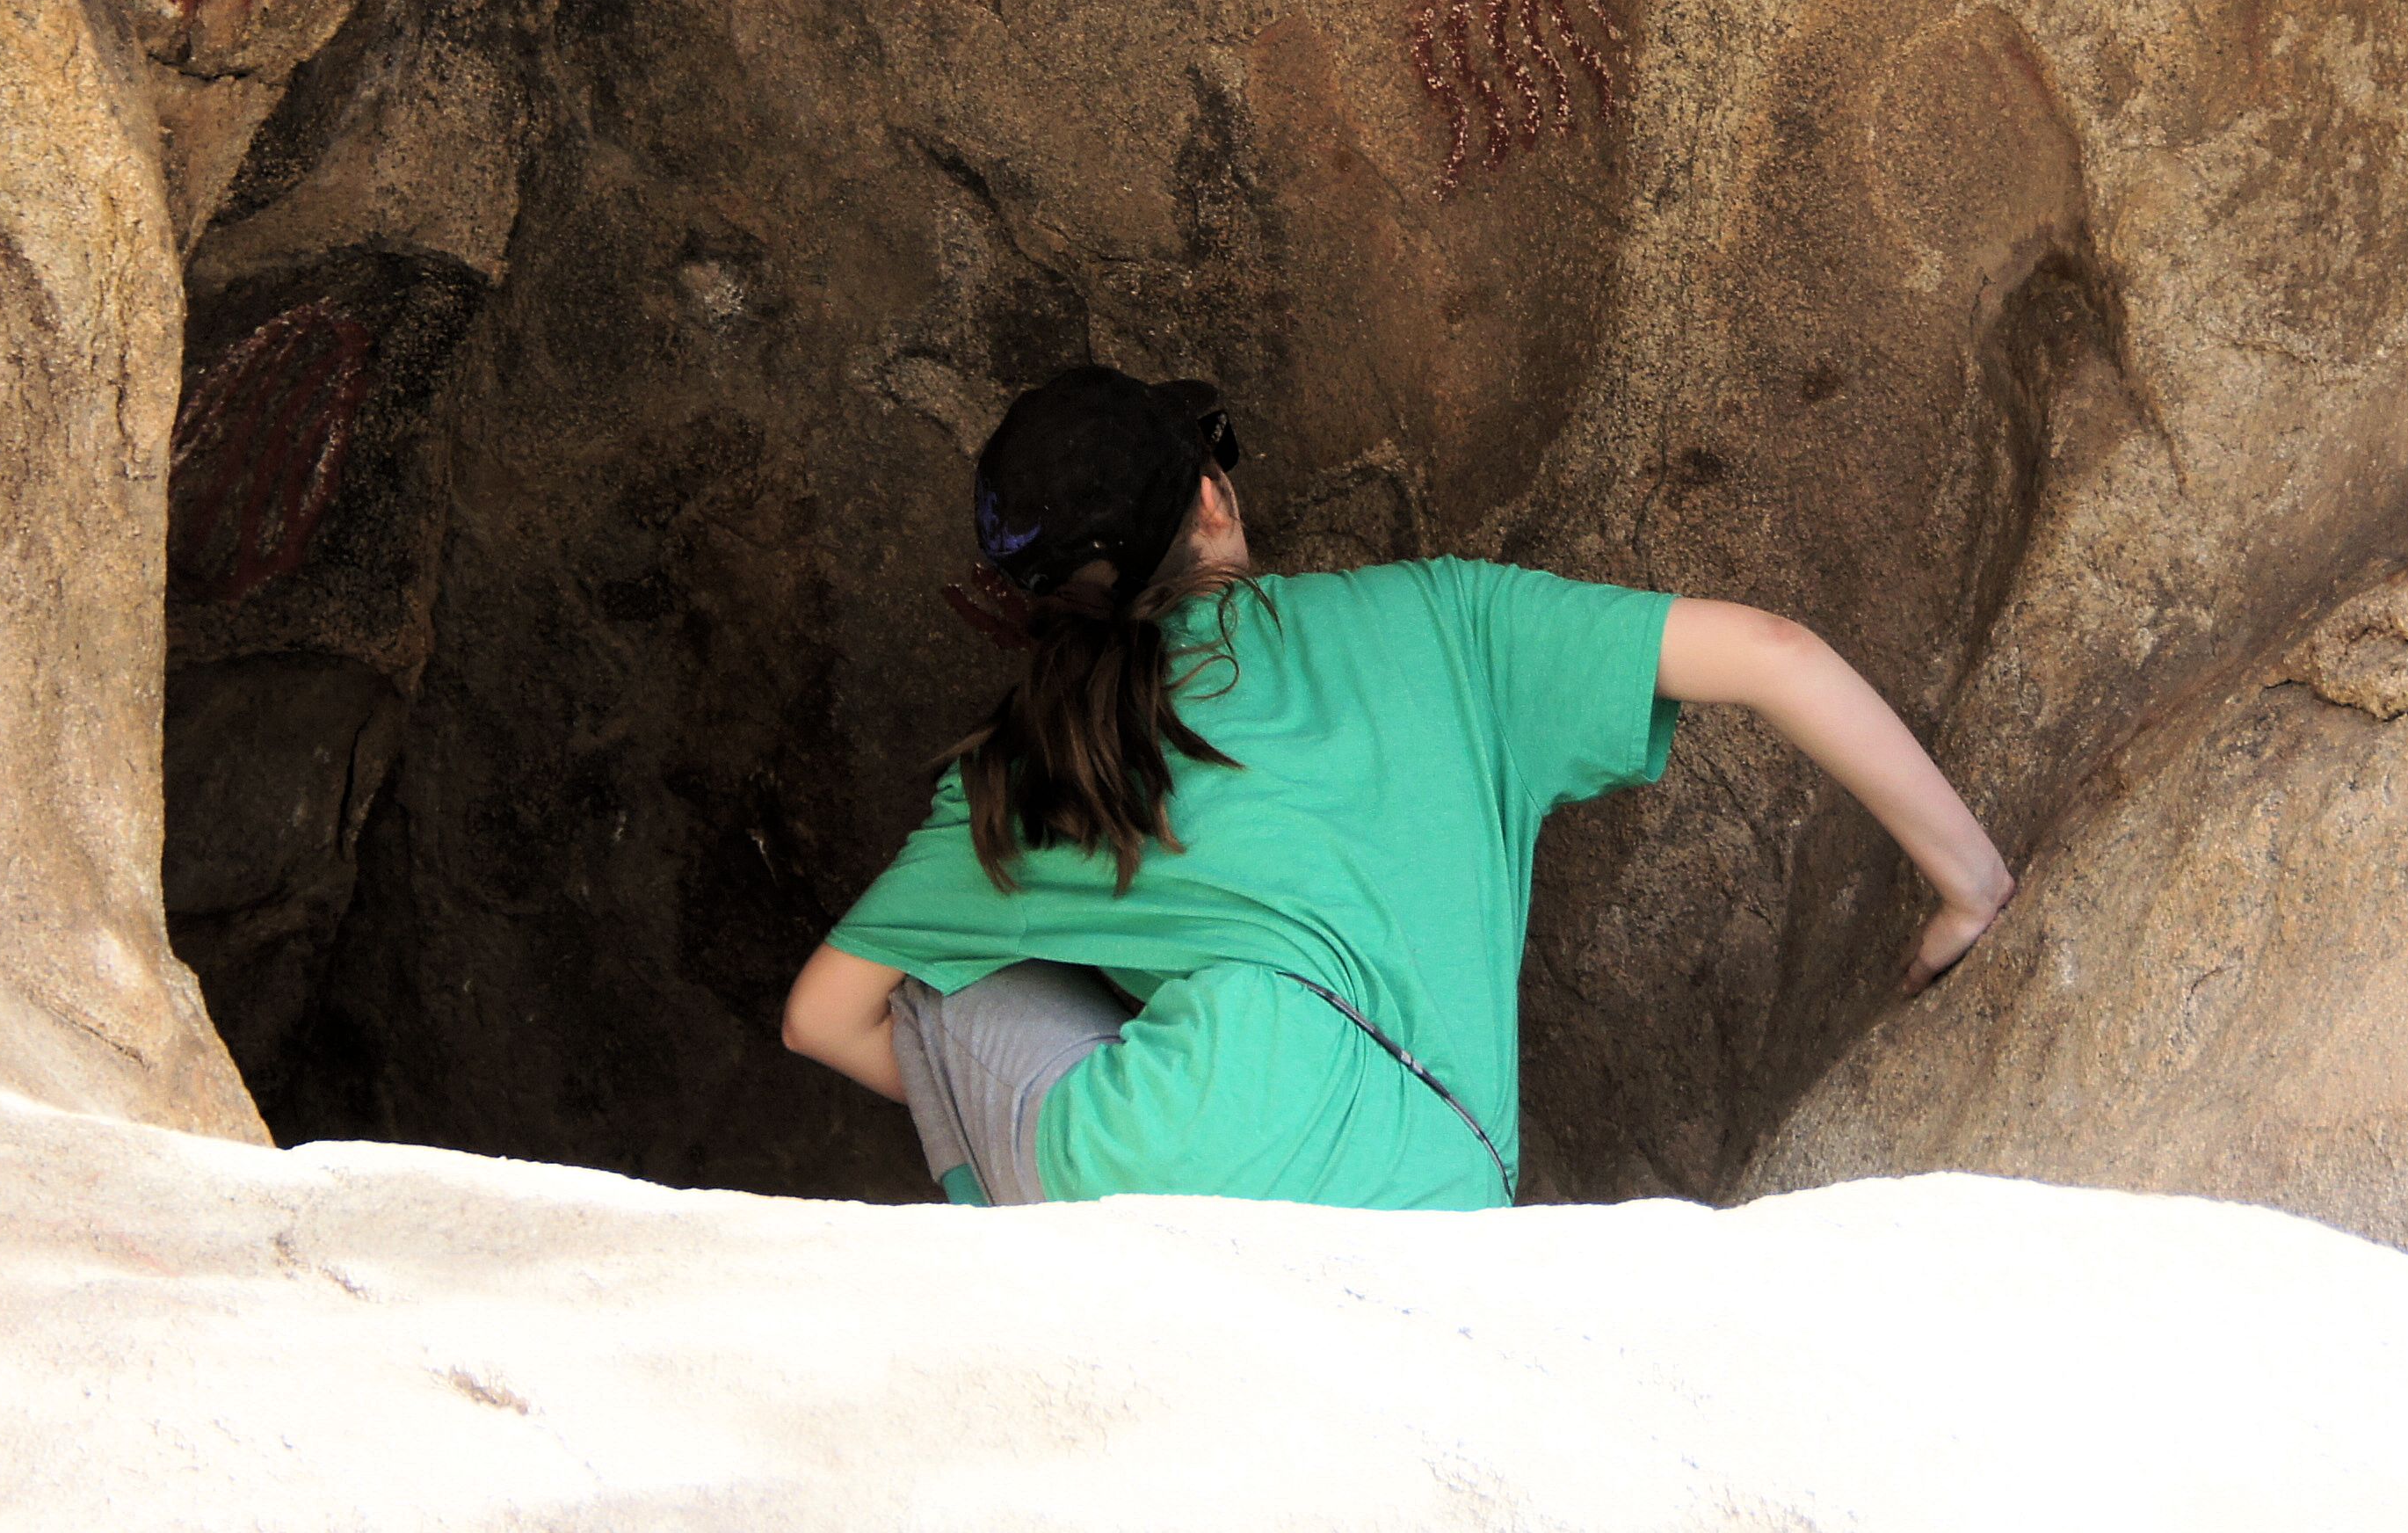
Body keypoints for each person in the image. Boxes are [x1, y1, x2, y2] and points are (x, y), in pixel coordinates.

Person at [780, 364, 2014, 1210]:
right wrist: (1966, 887)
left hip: (1153, 1167)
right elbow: (1773, 656)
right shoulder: (1445, 618)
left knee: (945, 986)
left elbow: (823, 1020)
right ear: (1212, 498)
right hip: (1437, 1187)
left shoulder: (1031, 765)